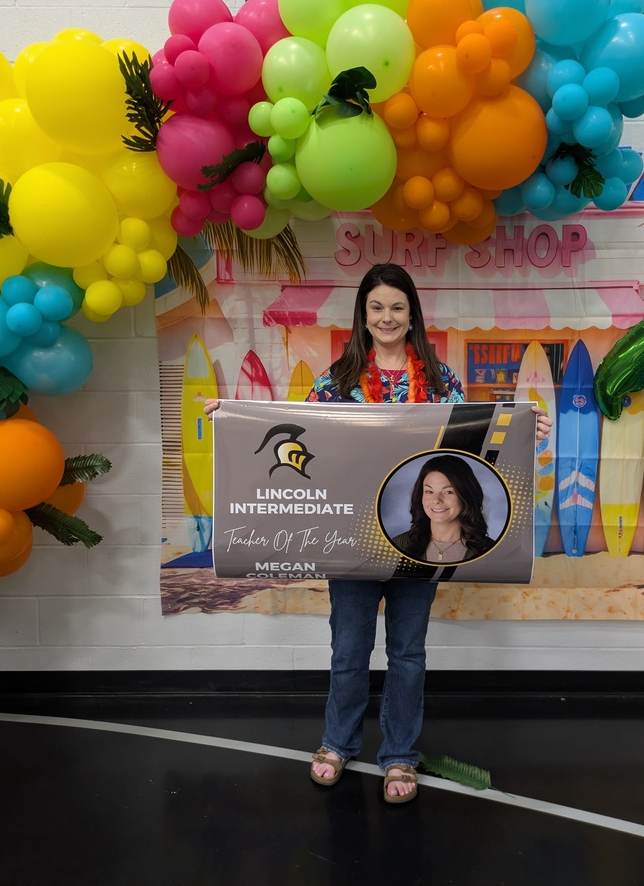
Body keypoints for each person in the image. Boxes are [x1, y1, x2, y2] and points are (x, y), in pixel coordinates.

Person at [205, 262, 552, 803]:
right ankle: (337, 743)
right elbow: (301, 444)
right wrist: (231, 417)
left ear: (411, 313)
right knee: (349, 648)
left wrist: (531, 428)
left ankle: (399, 756)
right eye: (376, 308)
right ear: (362, 316)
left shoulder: (442, 383)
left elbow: (476, 445)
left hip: (420, 544)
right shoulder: (335, 381)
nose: (387, 317)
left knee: (408, 653)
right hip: (352, 544)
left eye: (396, 307)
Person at [391, 454, 494, 565]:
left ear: (466, 496)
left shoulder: (491, 551)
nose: (436, 500)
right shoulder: (397, 546)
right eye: (429, 491)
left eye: (448, 492)